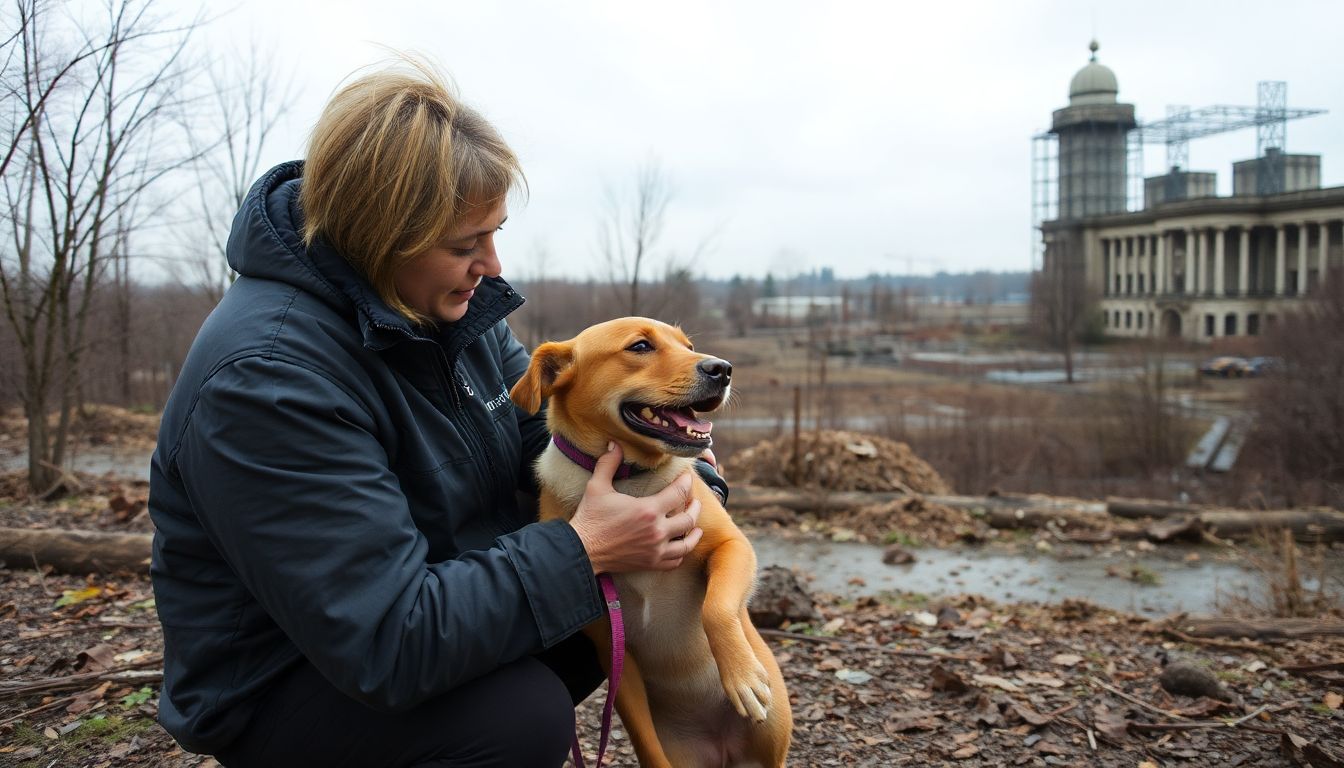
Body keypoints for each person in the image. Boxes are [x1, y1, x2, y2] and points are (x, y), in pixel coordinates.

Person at [148, 59, 726, 767]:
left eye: (494, 232)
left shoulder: (446, 308)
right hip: (287, 681)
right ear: (380, 235)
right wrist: (586, 548)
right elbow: (384, 640)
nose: (494, 264)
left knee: (609, 625)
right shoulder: (265, 378)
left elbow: (546, 440)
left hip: (433, 597)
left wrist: (673, 469)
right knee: (520, 718)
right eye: (466, 244)